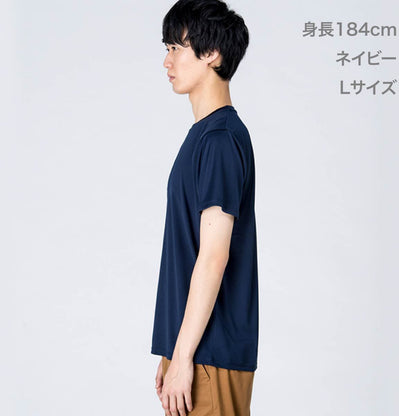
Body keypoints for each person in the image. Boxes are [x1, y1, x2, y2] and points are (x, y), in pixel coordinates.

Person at [150, 1, 258, 415]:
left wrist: (182, 357)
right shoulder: (204, 136)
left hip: (208, 355)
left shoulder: (219, 139)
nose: (167, 61)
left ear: (211, 53)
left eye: (175, 48)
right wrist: (173, 352)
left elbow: (214, 256)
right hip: (193, 351)